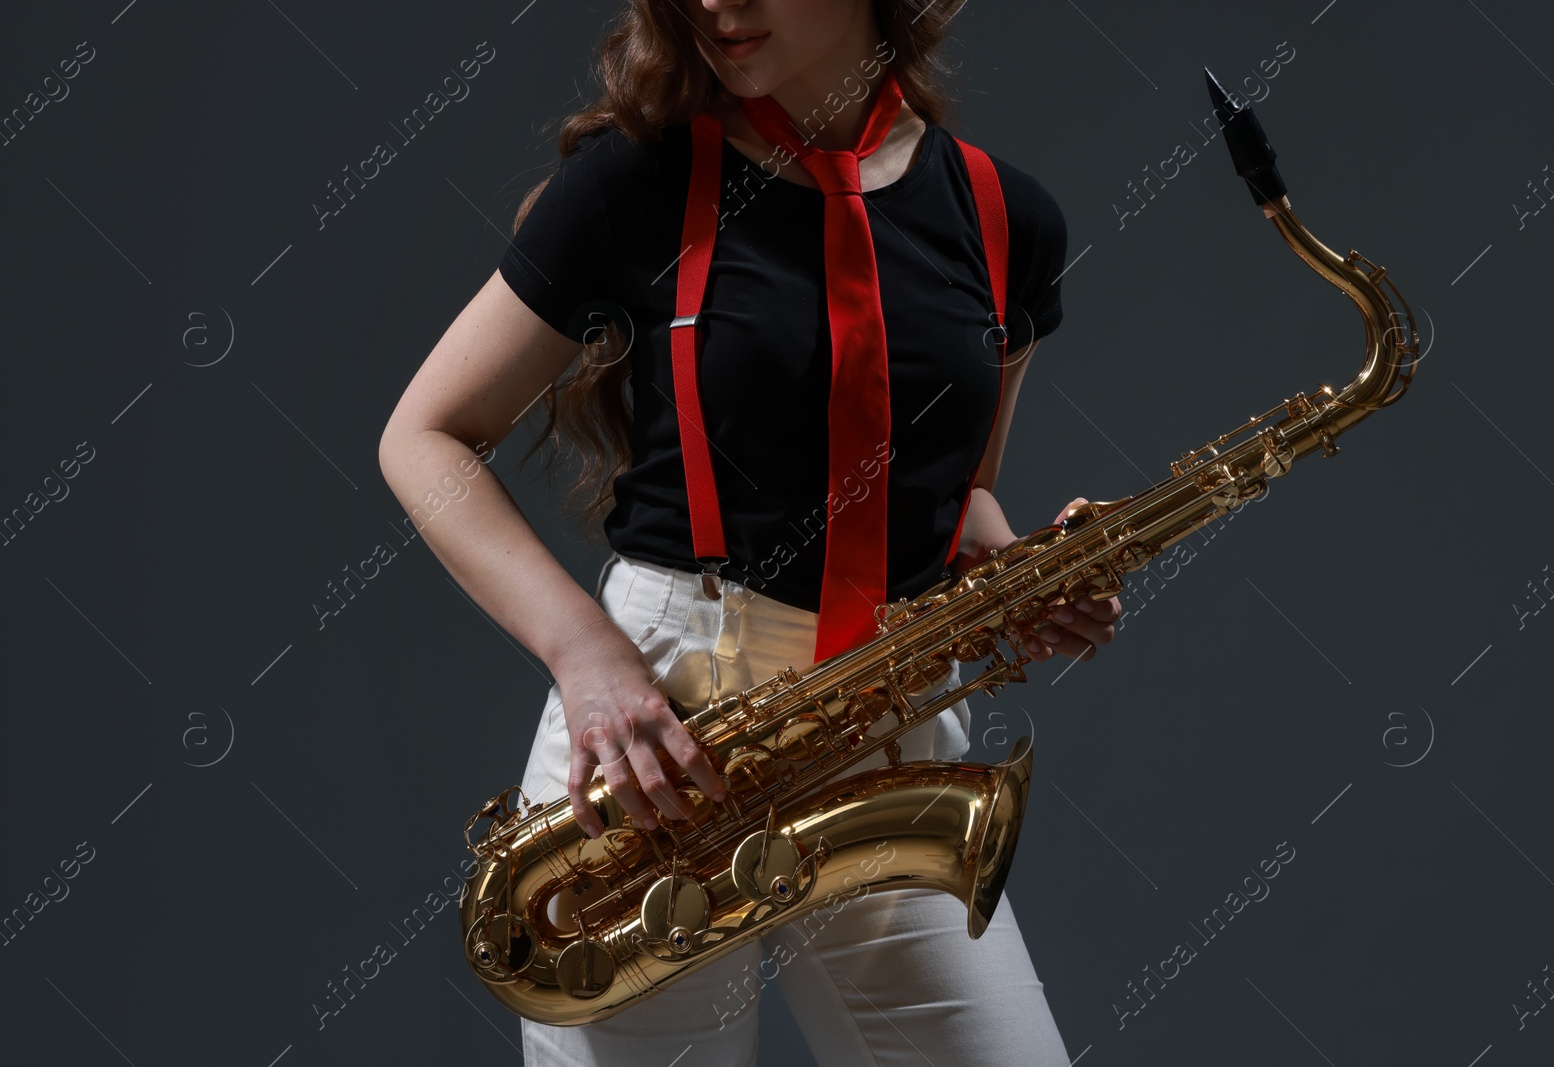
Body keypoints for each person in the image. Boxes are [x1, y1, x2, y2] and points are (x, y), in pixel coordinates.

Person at [379, 1, 1120, 1063]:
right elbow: (423, 436)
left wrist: (1014, 570)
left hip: (881, 722)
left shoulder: (1008, 217)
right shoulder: (641, 179)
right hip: (664, 731)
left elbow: (961, 489)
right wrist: (586, 657)